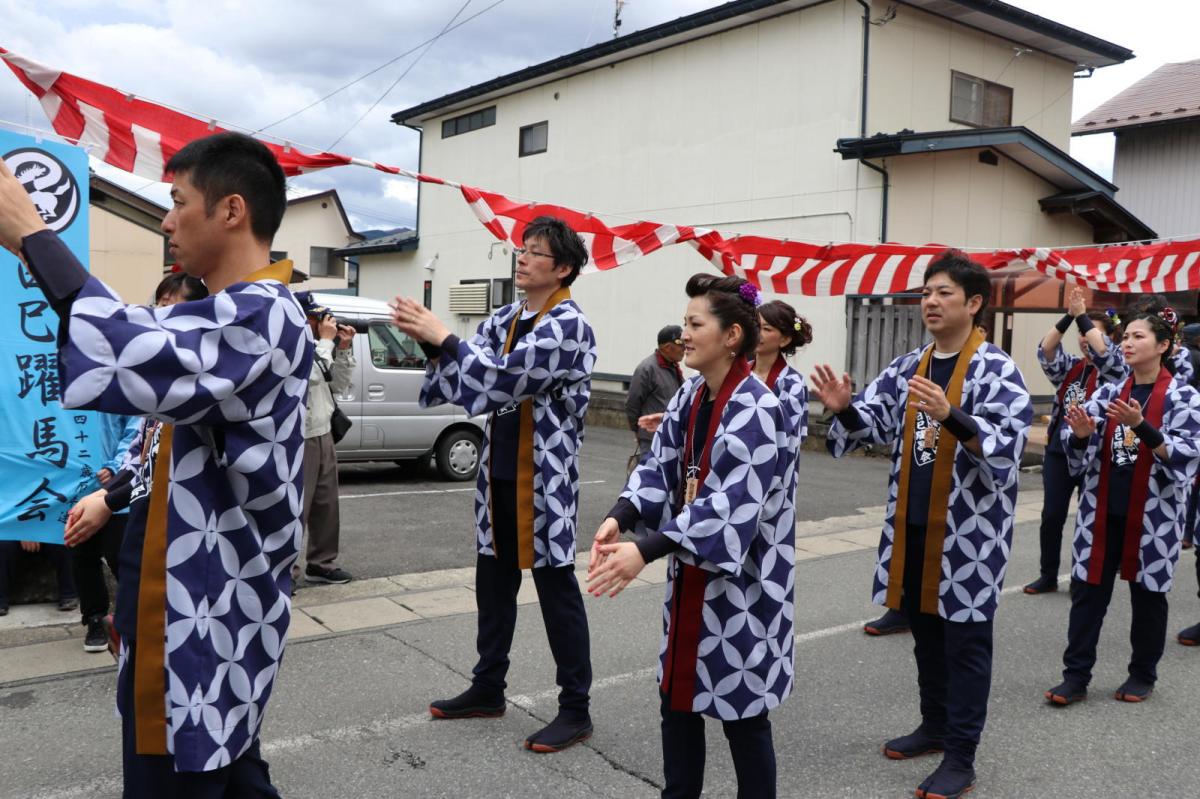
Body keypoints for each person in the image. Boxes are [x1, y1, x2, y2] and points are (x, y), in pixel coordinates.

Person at [0, 131, 310, 796]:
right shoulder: (226, 313)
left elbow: (124, 344)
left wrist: (32, 233)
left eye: (177, 201)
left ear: (232, 210)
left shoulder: (265, 313)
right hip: (198, 605)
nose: (166, 220)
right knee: (233, 771)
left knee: (184, 767)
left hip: (202, 615)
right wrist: (111, 498)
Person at [811, 251, 1031, 799]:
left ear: (974, 303)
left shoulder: (996, 369)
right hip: (913, 527)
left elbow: (1007, 450)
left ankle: (962, 755)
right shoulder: (909, 365)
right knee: (927, 635)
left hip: (968, 535)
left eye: (944, 293)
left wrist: (951, 413)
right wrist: (841, 408)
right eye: (927, 292)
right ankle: (934, 726)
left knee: (966, 644)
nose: (930, 302)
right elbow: (870, 425)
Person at [390, 216, 597, 753]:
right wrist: (437, 348)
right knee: (493, 583)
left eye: (535, 252)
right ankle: (488, 687)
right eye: (521, 249)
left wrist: (447, 339)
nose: (522, 258)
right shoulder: (505, 317)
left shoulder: (570, 325)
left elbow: (502, 379)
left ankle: (576, 709)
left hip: (545, 480)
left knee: (556, 590)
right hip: (497, 473)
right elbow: (469, 384)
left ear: (564, 268)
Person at [588, 273, 796, 799]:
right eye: (684, 323)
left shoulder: (757, 407)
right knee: (677, 699)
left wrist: (647, 548)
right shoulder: (689, 397)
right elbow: (658, 468)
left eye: (694, 323)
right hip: (691, 576)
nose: (684, 334)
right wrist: (623, 512)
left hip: (744, 586)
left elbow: (728, 506)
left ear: (730, 336)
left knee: (742, 713)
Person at [1045, 311, 1200, 705]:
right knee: (1087, 593)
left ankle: (1142, 674)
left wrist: (1141, 425)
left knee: (1148, 595)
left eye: (1138, 337)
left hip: (1154, 516)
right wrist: (1079, 435)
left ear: (1163, 346)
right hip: (1101, 510)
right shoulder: (1109, 392)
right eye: (1125, 336)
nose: (1127, 343)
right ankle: (1075, 676)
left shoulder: (1184, 396)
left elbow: (1186, 454)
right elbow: (1077, 447)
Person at [1024, 288, 1125, 595]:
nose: (1084, 336)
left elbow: (1106, 354)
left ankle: (1086, 574)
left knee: (1092, 516)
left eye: (1091, 331)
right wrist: (1070, 315)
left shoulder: (1117, 371)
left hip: (1095, 452)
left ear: (1109, 338)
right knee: (1051, 514)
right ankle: (1048, 573)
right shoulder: (1072, 367)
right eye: (1082, 332)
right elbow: (1045, 349)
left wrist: (1083, 315)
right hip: (1059, 450)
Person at [295, 293, 356, 586]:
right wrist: (327, 341)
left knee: (326, 505)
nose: (321, 324)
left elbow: (340, 384)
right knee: (298, 508)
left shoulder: (322, 347)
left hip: (323, 431)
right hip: (300, 437)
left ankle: (321, 563)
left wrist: (343, 348)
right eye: (315, 318)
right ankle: (286, 572)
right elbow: (312, 377)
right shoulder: (292, 345)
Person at [69, 412, 140, 651]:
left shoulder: (114, 381)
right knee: (81, 556)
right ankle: (95, 620)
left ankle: (135, 618)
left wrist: (114, 467)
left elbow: (135, 430)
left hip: (117, 490)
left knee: (121, 557)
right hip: (73, 491)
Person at [625, 325, 684, 463]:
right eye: (681, 345)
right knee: (649, 479)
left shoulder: (673, 367)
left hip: (670, 436)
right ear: (668, 347)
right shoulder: (647, 368)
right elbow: (632, 404)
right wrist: (638, 431)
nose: (684, 349)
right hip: (651, 438)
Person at [0, 539, 77, 614]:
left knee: (63, 541)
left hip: (48, 530)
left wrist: (35, 533)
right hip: (11, 532)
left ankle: (68, 595)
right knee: (3, 545)